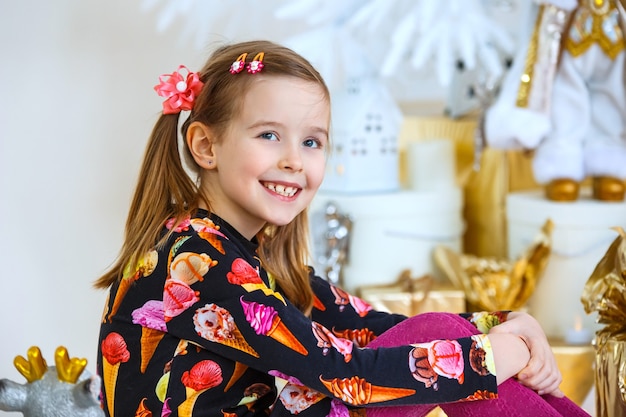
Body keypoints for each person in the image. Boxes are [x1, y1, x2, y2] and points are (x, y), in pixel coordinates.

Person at [95, 40, 589, 416]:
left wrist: (500, 328)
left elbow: (375, 327)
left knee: (440, 337)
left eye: (313, 142)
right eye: (269, 135)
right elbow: (341, 372)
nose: (294, 160)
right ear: (206, 146)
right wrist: (488, 357)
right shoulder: (196, 260)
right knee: (440, 347)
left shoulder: (249, 256)